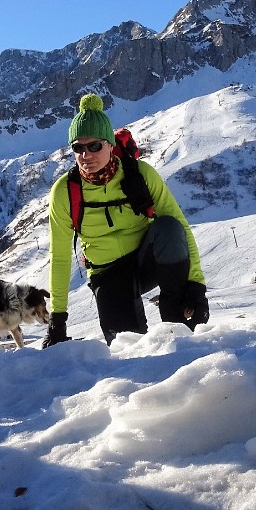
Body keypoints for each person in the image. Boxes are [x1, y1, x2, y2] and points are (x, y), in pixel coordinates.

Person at [44, 94, 208, 346]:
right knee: (127, 347)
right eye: (78, 148)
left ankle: (177, 319)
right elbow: (60, 256)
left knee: (168, 227)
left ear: (110, 144)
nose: (86, 154)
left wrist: (196, 286)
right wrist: (57, 319)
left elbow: (179, 227)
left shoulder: (140, 174)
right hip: (107, 273)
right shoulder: (65, 191)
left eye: (95, 146)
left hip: (146, 261)